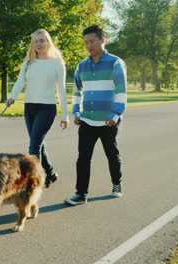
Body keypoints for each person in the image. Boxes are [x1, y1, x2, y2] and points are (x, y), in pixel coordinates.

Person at [64, 25, 127, 206]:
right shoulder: (81, 66)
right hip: (87, 120)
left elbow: (121, 92)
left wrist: (115, 115)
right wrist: (76, 112)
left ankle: (117, 184)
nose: (89, 45)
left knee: (112, 154)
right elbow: (77, 92)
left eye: (92, 41)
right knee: (83, 157)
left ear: (102, 40)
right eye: (85, 42)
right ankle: (81, 194)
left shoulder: (115, 63)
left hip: (109, 120)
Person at [6, 29, 68, 188]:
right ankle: (50, 173)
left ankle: (33, 183)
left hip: (47, 108)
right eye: (36, 41)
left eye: (42, 40)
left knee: (34, 146)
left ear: (48, 42)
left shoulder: (57, 62)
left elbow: (61, 89)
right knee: (38, 143)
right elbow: (20, 81)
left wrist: (65, 115)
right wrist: (12, 96)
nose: (39, 44)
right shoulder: (28, 61)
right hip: (29, 108)